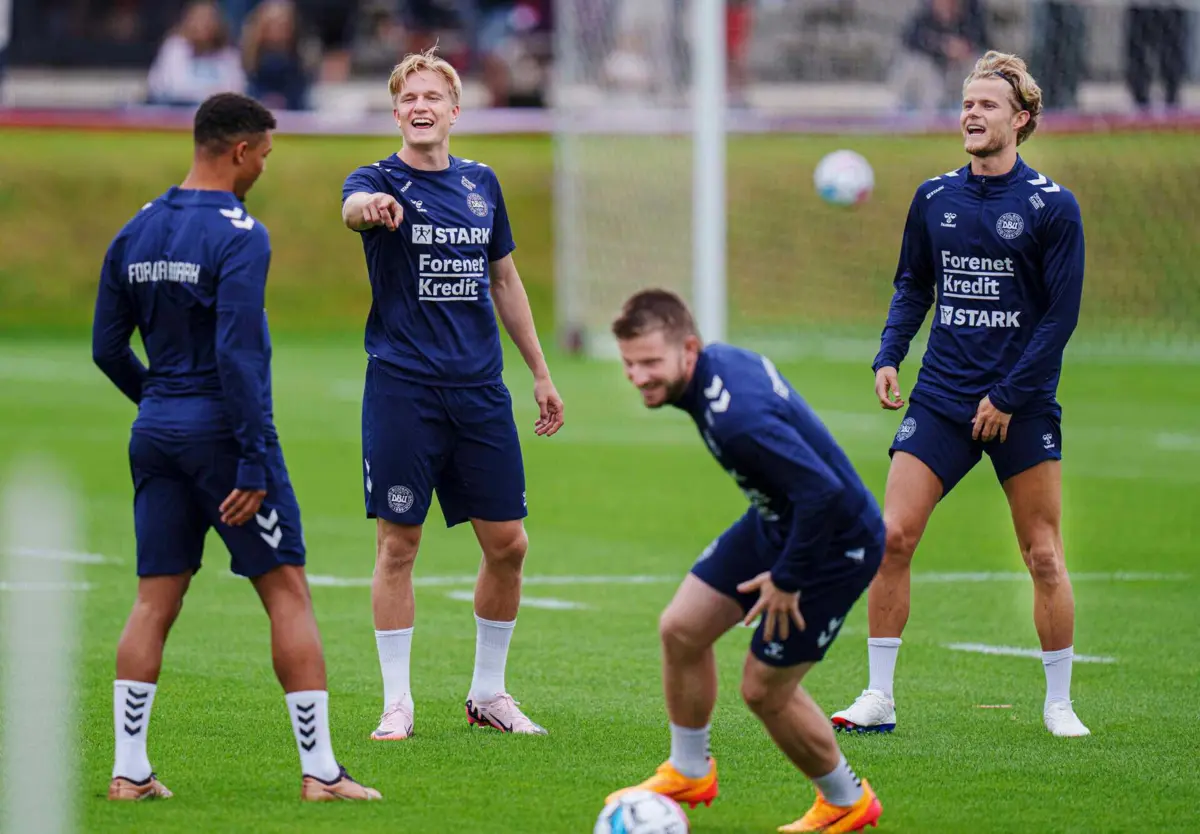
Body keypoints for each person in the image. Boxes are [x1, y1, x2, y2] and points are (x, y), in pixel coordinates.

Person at [92, 92, 381, 802]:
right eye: (264, 157)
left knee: (154, 597)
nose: (262, 171)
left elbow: (106, 348)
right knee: (287, 592)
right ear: (241, 151)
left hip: (155, 431)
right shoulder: (240, 233)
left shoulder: (135, 229)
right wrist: (250, 458)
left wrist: (160, 404)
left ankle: (129, 771)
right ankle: (321, 773)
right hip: (225, 437)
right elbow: (239, 355)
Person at [831, 50, 1090, 738]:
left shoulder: (1052, 207)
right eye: (968, 103)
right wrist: (890, 353)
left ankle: (1059, 704)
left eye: (988, 105)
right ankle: (879, 697)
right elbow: (914, 283)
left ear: (1021, 119)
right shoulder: (934, 197)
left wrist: (1007, 396)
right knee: (891, 538)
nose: (972, 114)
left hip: (1020, 404)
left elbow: (1059, 320)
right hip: (942, 397)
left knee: (1041, 552)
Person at [340, 47, 564, 742]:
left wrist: (540, 371)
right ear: (396, 111)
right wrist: (369, 209)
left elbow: (504, 280)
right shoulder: (376, 180)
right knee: (398, 544)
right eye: (408, 99)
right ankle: (397, 702)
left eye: (432, 97)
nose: (420, 107)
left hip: (480, 392)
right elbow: (350, 209)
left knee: (509, 544)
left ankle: (489, 693)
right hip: (404, 390)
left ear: (454, 110)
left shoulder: (481, 184)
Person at [605, 290, 885, 834]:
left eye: (650, 363)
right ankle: (689, 771)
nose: (638, 377)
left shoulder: (738, 419)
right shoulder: (716, 366)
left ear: (689, 348)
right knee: (681, 629)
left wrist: (787, 579)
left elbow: (824, 495)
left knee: (764, 690)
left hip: (835, 540)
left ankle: (846, 801)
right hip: (780, 518)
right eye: (629, 364)